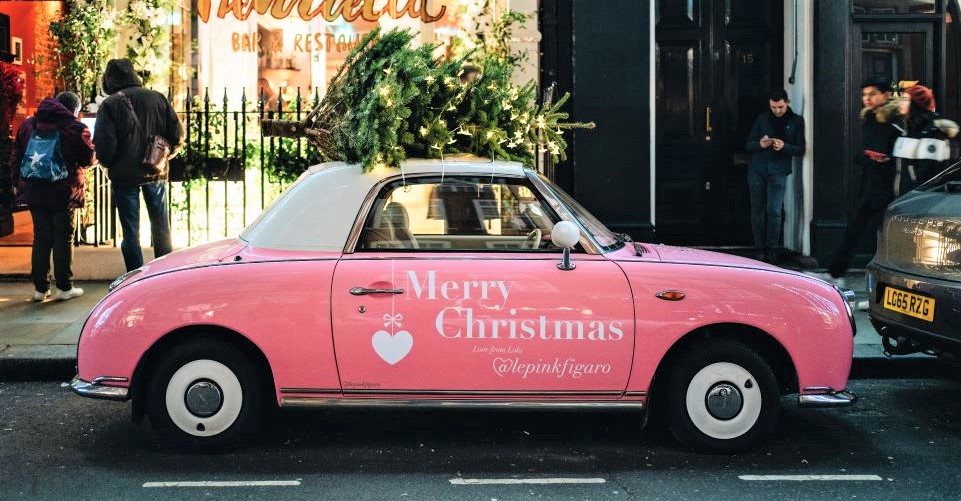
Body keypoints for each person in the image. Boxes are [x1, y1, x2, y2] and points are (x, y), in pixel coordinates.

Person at [94, 59, 183, 272]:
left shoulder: (110, 105)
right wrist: (164, 156)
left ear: (109, 79)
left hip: (124, 175)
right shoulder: (157, 98)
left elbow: (105, 145)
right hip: (155, 171)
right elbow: (177, 135)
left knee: (130, 232)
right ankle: (165, 272)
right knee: (161, 226)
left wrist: (110, 164)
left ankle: (135, 275)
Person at [815, 77, 901, 287]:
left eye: (872, 94)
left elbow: (899, 156)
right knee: (855, 230)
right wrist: (869, 157)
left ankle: (884, 286)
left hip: (891, 189)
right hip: (870, 185)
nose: (867, 99)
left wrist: (881, 159)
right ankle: (836, 273)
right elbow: (861, 154)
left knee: (886, 238)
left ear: (886, 95)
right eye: (864, 95)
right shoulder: (870, 120)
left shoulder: (895, 123)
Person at [11, 92, 95, 301]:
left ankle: (40, 289)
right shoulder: (75, 129)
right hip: (63, 191)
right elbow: (86, 160)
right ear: (74, 110)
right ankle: (64, 287)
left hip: (34, 189)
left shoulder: (28, 125)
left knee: (41, 236)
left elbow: (17, 157)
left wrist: (17, 184)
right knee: (63, 237)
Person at [745, 89, 806, 263]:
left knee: (774, 210)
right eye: (773, 107)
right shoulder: (762, 119)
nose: (777, 110)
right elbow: (748, 144)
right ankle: (759, 249)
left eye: (780, 107)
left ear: (787, 102)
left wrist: (785, 146)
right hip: (758, 169)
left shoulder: (796, 121)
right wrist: (760, 144)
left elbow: (800, 149)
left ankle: (772, 248)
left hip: (779, 170)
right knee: (757, 209)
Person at [893, 84, 958, 192]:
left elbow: (928, 173)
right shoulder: (908, 129)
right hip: (902, 199)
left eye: (905, 99)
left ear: (916, 104)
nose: (900, 103)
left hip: (916, 200)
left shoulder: (931, 131)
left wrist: (912, 195)